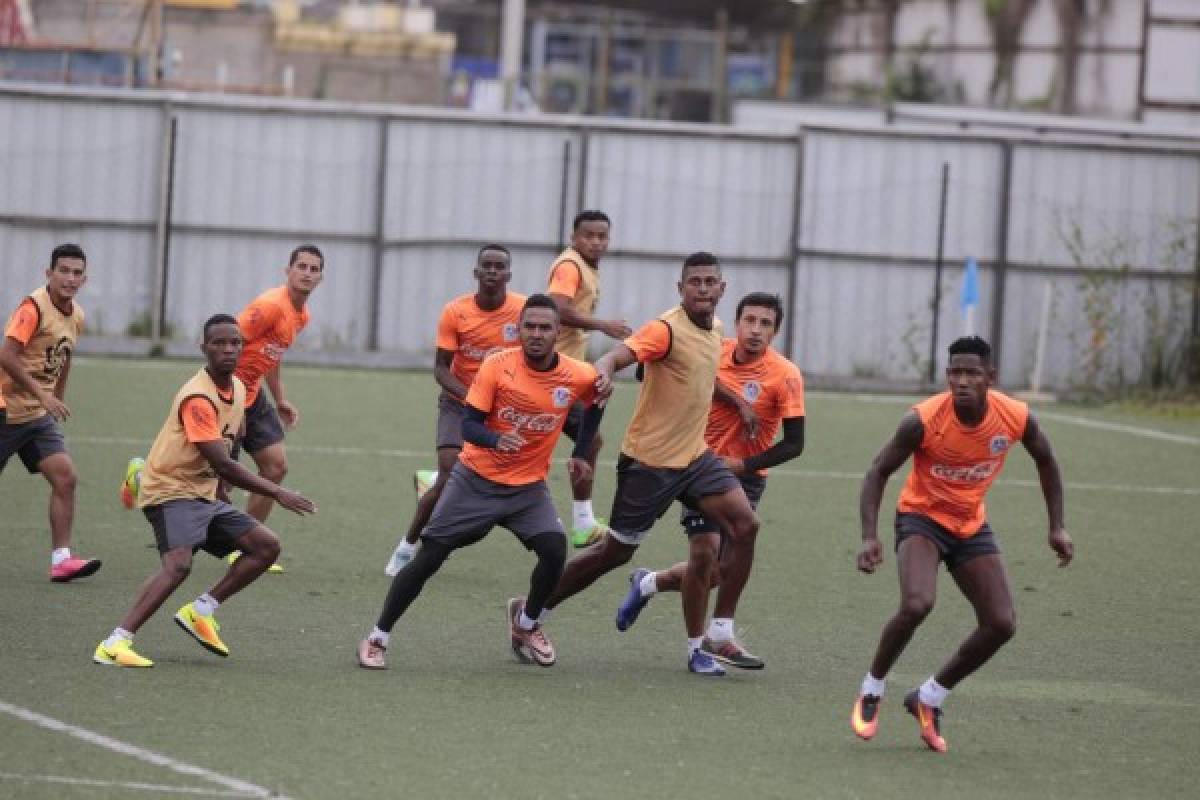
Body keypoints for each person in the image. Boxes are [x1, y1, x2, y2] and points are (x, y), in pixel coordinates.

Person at [540, 252, 760, 677]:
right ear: (681, 289)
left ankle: (715, 634)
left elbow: (702, 375)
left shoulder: (714, 329)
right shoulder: (665, 329)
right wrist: (603, 367)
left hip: (695, 458)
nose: (701, 288)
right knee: (614, 553)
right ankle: (534, 608)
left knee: (746, 526)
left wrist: (736, 402)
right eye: (693, 282)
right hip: (650, 464)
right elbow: (622, 354)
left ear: (721, 288)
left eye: (709, 281)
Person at [850, 335, 1073, 752]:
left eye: (972, 373)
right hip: (921, 519)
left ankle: (930, 697)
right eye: (955, 372)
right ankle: (872, 687)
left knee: (1001, 623)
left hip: (970, 526)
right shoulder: (922, 420)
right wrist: (869, 536)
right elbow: (877, 471)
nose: (962, 381)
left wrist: (1057, 526)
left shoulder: (1015, 417)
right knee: (918, 603)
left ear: (991, 377)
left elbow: (1047, 460)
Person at [357, 295, 604, 670]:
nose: (536, 334)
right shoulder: (497, 366)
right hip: (475, 480)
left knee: (555, 550)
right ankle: (377, 637)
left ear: (558, 333)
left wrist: (582, 452)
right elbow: (469, 424)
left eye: (545, 327)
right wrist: (496, 439)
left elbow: (596, 402)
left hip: (527, 490)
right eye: (529, 326)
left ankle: (526, 623)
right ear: (519, 330)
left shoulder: (577, 373)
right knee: (429, 559)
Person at [93, 315, 316, 668]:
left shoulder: (239, 389)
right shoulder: (197, 397)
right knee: (178, 565)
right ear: (203, 348)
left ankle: (201, 611)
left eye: (235, 343)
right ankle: (114, 643)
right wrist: (277, 493)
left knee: (265, 546)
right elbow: (224, 463)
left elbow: (233, 441)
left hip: (201, 492)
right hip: (170, 491)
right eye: (219, 343)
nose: (229, 349)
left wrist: (222, 490)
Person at [616, 292, 806, 671]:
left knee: (717, 573)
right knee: (703, 554)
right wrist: (736, 398)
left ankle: (649, 583)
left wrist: (745, 465)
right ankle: (701, 646)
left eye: (765, 324)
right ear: (736, 323)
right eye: (749, 320)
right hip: (694, 462)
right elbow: (655, 369)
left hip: (745, 479)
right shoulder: (711, 349)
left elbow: (795, 445)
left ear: (775, 331)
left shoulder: (785, 375)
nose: (755, 330)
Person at [383, 245, 525, 575]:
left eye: (498, 266)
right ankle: (406, 548)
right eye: (486, 266)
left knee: (507, 481)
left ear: (508, 275)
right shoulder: (455, 311)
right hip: (457, 401)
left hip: (502, 408)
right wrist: (472, 395)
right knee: (450, 472)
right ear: (476, 272)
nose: (492, 271)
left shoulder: (522, 312)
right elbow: (440, 368)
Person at [0, 243, 102, 582]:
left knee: (65, 477)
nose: (70, 279)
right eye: (63, 271)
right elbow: (7, 356)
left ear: (84, 279)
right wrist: (44, 395)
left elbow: (65, 355)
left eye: (77, 273)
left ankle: (62, 560)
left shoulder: (77, 315)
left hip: (36, 416)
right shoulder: (33, 308)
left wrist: (57, 395)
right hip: (5, 410)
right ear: (49, 274)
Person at [229, 244, 324, 572]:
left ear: (320, 278)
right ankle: (146, 476)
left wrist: (280, 397)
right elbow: (226, 343)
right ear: (288, 271)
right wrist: (230, 404)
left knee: (275, 467)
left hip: (253, 395)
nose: (307, 273)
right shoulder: (270, 306)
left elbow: (271, 354)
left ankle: (245, 546)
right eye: (302, 266)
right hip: (227, 394)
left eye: (314, 269)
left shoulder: (302, 315)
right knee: (219, 482)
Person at [546, 210, 631, 547]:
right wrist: (603, 326)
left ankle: (583, 521)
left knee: (589, 438)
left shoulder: (587, 268)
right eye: (588, 235)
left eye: (602, 236)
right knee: (587, 439)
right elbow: (556, 308)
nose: (596, 242)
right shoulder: (569, 267)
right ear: (573, 238)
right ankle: (582, 523)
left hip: (567, 370)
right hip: (552, 372)